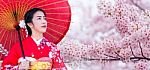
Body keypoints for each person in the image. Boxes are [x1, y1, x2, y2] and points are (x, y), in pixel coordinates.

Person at [2, 8, 67, 70]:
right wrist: (19, 68)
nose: (44, 21)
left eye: (44, 18)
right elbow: (5, 67)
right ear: (30, 24)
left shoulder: (52, 47)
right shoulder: (18, 47)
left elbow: (61, 68)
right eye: (39, 18)